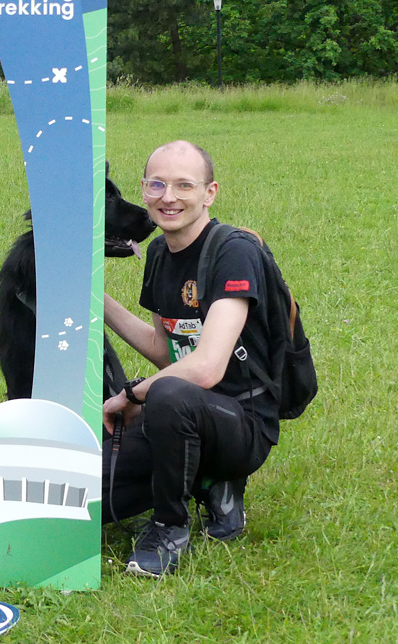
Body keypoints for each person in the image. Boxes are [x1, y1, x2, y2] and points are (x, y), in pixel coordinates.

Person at [102, 140, 280, 577]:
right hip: (177, 417)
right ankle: (203, 480)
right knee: (91, 493)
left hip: (240, 422)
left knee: (168, 393)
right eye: (157, 184)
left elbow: (206, 367)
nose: (169, 197)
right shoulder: (159, 254)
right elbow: (166, 351)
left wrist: (132, 394)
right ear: (144, 189)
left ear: (209, 193)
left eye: (184, 185)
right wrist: (93, 298)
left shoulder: (234, 252)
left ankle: (169, 528)